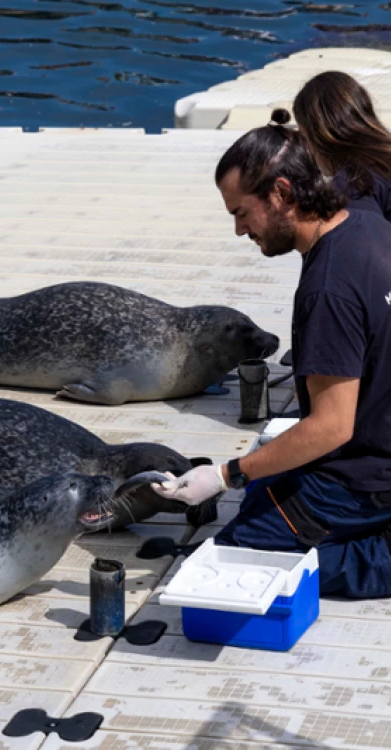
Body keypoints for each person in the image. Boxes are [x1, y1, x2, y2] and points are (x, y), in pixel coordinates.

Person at [152, 117, 391, 599]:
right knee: (261, 491)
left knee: (240, 549)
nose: (240, 230)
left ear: (282, 193)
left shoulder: (328, 289)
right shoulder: (367, 224)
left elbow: (331, 427)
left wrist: (224, 474)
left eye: (242, 212)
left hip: (370, 475)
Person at [290, 71, 391, 220]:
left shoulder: (354, 184)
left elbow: (365, 240)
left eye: (305, 137)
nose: (306, 149)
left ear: (320, 135)